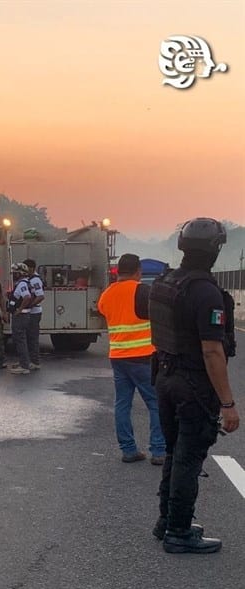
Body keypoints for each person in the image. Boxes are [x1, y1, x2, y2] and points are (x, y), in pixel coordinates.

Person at [149, 217, 239, 554]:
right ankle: (180, 531)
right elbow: (212, 350)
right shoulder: (205, 292)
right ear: (215, 249)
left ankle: (166, 520)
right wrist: (228, 403)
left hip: (165, 376)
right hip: (192, 384)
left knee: (175, 451)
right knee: (189, 457)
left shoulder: (166, 281)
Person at [97, 253, 166, 464]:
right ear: (138, 271)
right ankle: (159, 451)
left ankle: (128, 450)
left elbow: (104, 313)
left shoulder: (106, 295)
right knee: (155, 403)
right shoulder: (143, 291)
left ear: (118, 271)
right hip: (143, 356)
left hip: (117, 356)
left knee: (122, 404)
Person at [7, 262, 33, 374]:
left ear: (20, 273)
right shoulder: (24, 283)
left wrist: (19, 310)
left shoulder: (22, 284)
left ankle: (24, 366)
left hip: (21, 316)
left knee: (20, 340)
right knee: (21, 339)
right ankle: (24, 362)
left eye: (15, 273)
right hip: (23, 315)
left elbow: (27, 297)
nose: (13, 275)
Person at [23, 258, 45, 370]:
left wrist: (29, 305)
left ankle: (35, 361)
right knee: (27, 337)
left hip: (34, 313)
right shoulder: (29, 279)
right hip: (31, 313)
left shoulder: (35, 280)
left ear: (31, 268)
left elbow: (40, 296)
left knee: (32, 338)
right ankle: (28, 361)